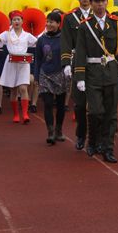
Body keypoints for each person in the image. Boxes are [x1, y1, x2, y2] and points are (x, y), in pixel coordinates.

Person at [74, 0, 118, 163]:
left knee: (111, 114)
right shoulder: (85, 26)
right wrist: (80, 76)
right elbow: (81, 52)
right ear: (90, 3)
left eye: (102, 1)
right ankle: (93, 140)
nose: (100, 4)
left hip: (111, 72)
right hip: (92, 73)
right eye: (96, 1)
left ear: (107, 2)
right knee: (96, 111)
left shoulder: (116, 24)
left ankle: (108, 148)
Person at [60, 0, 96, 150]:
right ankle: (81, 135)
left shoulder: (100, 15)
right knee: (80, 104)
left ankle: (96, 137)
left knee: (97, 103)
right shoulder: (70, 18)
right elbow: (66, 41)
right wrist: (66, 62)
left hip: (97, 65)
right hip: (78, 64)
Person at [0, 10, 38, 123]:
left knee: (23, 88)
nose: (16, 21)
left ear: (22, 21)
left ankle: (25, 114)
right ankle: (16, 114)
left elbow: (39, 43)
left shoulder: (27, 35)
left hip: (23, 62)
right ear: (11, 21)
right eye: (14, 19)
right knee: (14, 90)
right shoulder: (7, 34)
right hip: (11, 62)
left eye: (18, 19)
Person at [35, 12, 70, 145]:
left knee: (60, 105)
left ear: (58, 24)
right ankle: (50, 132)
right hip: (45, 74)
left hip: (61, 73)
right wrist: (37, 75)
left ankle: (59, 130)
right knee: (48, 103)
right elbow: (38, 58)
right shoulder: (42, 39)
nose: (49, 24)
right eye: (47, 21)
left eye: (52, 22)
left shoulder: (64, 38)